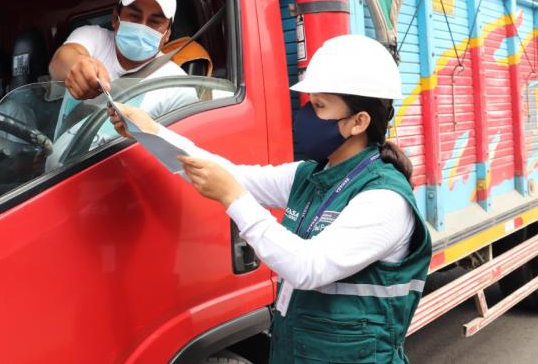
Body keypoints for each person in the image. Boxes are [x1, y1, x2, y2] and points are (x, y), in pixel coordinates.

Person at [109, 34, 432, 363]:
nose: (306, 115)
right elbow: (232, 174)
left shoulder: (384, 198)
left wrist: (234, 200)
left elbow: (310, 267)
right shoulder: (309, 175)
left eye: (319, 106)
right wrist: (150, 131)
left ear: (358, 122)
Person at [46, 0, 196, 166]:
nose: (142, 26)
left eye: (154, 22)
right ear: (115, 18)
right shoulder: (94, 38)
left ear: (167, 35)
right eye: (134, 16)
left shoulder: (177, 86)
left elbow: (176, 159)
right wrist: (79, 64)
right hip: (53, 177)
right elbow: (60, 60)